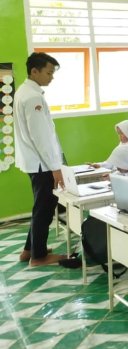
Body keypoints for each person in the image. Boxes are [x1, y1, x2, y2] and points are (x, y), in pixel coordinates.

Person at [15, 52, 66, 266]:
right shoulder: (33, 97)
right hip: (41, 164)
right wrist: (55, 167)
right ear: (34, 71)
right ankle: (39, 256)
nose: (51, 77)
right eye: (48, 73)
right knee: (45, 207)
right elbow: (41, 138)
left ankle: (30, 250)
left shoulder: (24, 91)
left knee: (41, 206)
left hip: (35, 162)